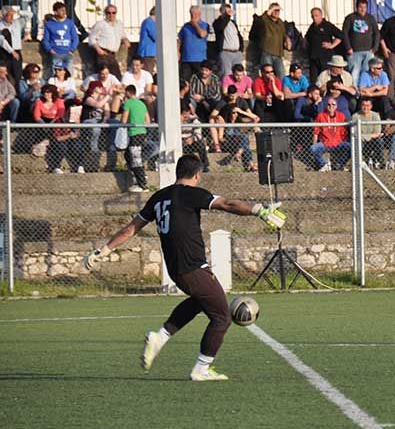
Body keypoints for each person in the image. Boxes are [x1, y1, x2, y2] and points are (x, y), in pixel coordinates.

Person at [83, 154, 287, 381]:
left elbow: (130, 229)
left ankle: (160, 337)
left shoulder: (158, 197)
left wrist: (103, 250)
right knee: (221, 317)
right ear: (197, 174)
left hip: (176, 269)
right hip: (193, 267)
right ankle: (201, 369)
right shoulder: (192, 193)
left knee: (199, 301)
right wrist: (259, 210)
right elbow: (227, 204)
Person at [343, 0, 380, 87]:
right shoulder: (350, 18)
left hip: (368, 52)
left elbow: (377, 34)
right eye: (360, 7)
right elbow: (344, 34)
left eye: (364, 7)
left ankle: (364, 91)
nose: (363, 9)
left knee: (366, 74)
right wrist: (348, 48)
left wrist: (374, 49)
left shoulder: (370, 18)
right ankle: (355, 93)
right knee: (354, 74)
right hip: (354, 52)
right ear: (356, 7)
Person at [87, 4, 130, 80]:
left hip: (113, 54)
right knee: (103, 76)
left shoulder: (119, 24)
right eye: (108, 13)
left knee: (117, 77)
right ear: (105, 13)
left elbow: (122, 35)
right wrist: (98, 49)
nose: (111, 15)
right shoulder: (100, 24)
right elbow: (91, 38)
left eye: (113, 12)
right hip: (103, 53)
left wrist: (125, 40)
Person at [121, 85, 150, 192]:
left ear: (128, 93)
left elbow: (124, 120)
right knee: (128, 155)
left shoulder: (128, 103)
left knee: (136, 159)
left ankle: (142, 184)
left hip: (134, 133)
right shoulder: (142, 104)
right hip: (142, 133)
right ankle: (138, 175)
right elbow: (147, 121)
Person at [305, 7, 343, 84]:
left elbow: (340, 36)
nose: (314, 18)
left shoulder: (327, 25)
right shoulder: (312, 27)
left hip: (325, 57)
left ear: (321, 15)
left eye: (316, 15)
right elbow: (307, 38)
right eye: (312, 16)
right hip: (313, 58)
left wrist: (332, 45)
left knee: (324, 79)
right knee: (314, 80)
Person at [311, 99, 349, 172]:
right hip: (325, 143)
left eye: (333, 104)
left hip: (338, 143)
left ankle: (339, 165)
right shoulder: (321, 116)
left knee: (351, 147)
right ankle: (324, 165)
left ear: (336, 106)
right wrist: (314, 143)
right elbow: (316, 132)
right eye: (329, 104)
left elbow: (345, 132)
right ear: (326, 106)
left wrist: (343, 141)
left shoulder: (341, 116)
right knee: (313, 148)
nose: (331, 106)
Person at [178, 6, 211, 82]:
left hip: (200, 59)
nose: (193, 16)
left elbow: (202, 34)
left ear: (199, 14)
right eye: (192, 14)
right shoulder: (186, 26)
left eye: (195, 14)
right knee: (185, 80)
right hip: (186, 58)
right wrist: (178, 52)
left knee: (200, 80)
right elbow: (179, 39)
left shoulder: (204, 25)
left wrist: (195, 24)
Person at [42, 1, 78, 71]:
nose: (64, 12)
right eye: (61, 10)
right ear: (55, 12)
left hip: (68, 53)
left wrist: (72, 50)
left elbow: (75, 38)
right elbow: (46, 39)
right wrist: (50, 50)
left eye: (64, 10)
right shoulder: (49, 24)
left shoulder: (69, 23)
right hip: (56, 53)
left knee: (69, 74)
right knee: (57, 74)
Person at [0, 5, 31, 83]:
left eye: (12, 15)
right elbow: (2, 41)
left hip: (17, 51)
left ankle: (17, 89)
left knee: (17, 75)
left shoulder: (17, 23)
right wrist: (12, 51)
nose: (12, 17)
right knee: (6, 75)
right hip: (5, 52)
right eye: (9, 15)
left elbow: (30, 15)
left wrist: (18, 12)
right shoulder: (1, 25)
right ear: (4, 16)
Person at [212, 3, 244, 79]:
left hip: (237, 53)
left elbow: (238, 35)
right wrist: (227, 16)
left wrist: (241, 48)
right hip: (226, 53)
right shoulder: (218, 22)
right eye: (226, 12)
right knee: (227, 75)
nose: (228, 13)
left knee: (238, 75)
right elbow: (220, 27)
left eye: (229, 11)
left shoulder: (233, 23)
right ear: (221, 12)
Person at [351, 97, 383, 168]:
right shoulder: (355, 116)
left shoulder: (375, 116)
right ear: (360, 105)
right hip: (361, 141)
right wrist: (371, 135)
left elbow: (377, 132)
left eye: (368, 105)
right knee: (358, 141)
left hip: (373, 140)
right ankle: (359, 162)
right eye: (363, 105)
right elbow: (356, 134)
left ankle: (379, 161)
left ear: (371, 106)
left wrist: (366, 136)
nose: (365, 108)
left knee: (380, 141)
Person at [259, 2, 289, 78]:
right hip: (267, 52)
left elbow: (283, 33)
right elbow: (261, 18)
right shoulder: (265, 20)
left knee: (281, 76)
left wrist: (287, 39)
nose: (277, 12)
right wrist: (271, 9)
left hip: (278, 53)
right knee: (267, 75)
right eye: (275, 10)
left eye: (278, 10)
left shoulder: (280, 22)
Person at [137, 7, 157, 73]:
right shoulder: (149, 22)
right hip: (147, 53)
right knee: (148, 73)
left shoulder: (148, 22)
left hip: (150, 53)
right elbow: (156, 36)